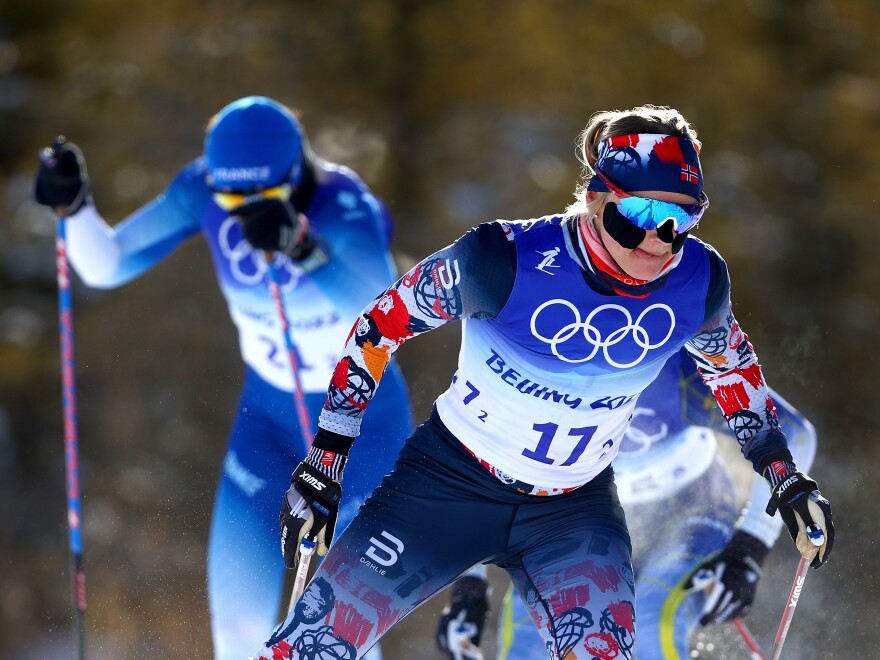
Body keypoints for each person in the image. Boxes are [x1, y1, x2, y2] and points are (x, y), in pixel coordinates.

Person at [251, 104, 834, 660]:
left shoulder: (698, 283)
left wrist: (784, 480)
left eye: (680, 219)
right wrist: (327, 459)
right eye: (636, 218)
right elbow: (381, 326)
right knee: (310, 648)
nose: (656, 242)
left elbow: (734, 373)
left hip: (573, 512)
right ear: (594, 196)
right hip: (448, 487)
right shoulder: (500, 259)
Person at [33, 96, 414, 660]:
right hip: (267, 419)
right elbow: (106, 264)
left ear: (296, 173)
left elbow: (392, 310)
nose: (239, 210)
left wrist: (305, 248)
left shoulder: (344, 203)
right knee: (237, 625)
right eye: (229, 196)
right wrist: (76, 209)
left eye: (257, 198)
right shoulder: (201, 188)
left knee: (340, 626)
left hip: (361, 425)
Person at [435, 348, 818, 660]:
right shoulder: (526, 368)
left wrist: (747, 550)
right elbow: (477, 468)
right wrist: (469, 587)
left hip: (687, 510)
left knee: (653, 623)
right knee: (529, 645)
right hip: (578, 519)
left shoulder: (674, 369)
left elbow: (795, 434)